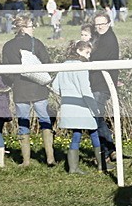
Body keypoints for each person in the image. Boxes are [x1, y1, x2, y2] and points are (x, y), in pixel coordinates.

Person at [1, 13, 55, 167]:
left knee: (23, 122)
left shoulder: (8, 46)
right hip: (39, 88)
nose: (34, 29)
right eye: (31, 26)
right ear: (23, 28)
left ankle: (26, 160)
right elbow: (47, 63)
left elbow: (6, 71)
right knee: (45, 121)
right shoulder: (36, 43)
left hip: (20, 90)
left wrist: (13, 82)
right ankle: (50, 158)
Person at [51, 41, 101, 174]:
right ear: (78, 51)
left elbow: (55, 87)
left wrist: (66, 93)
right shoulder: (82, 66)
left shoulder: (64, 65)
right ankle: (101, 165)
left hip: (68, 106)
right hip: (82, 107)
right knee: (94, 132)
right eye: (87, 52)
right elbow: (85, 90)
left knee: (76, 135)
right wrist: (94, 108)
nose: (89, 56)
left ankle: (73, 168)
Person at [89, 11, 119, 170]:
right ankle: (110, 150)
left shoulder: (108, 40)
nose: (100, 27)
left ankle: (107, 151)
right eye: (97, 24)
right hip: (98, 83)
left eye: (102, 24)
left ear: (108, 23)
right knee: (97, 118)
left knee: (96, 118)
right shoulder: (101, 38)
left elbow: (96, 58)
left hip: (101, 84)